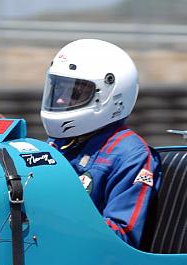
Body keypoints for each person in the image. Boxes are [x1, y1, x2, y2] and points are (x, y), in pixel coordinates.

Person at [41, 39, 161, 248]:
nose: (60, 100)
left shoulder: (131, 155)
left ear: (110, 96)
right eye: (60, 89)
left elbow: (121, 238)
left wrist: (51, 220)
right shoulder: (57, 144)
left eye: (75, 93)